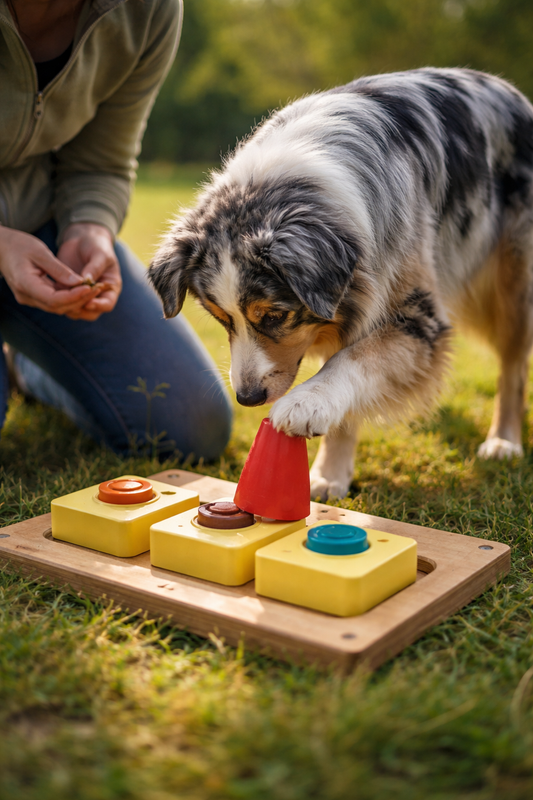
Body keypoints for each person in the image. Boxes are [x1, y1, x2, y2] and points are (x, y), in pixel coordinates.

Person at [0, 0, 232, 460]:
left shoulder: (148, 10)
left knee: (191, 422)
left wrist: (89, 228)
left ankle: (30, 365)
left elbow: (100, 161)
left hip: (40, 229)